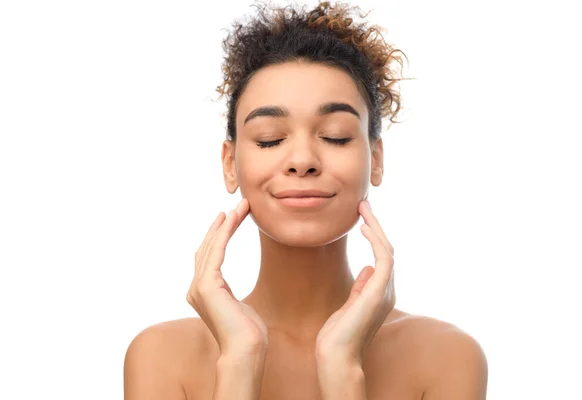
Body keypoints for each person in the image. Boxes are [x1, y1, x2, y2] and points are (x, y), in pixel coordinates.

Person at [123, 1, 488, 399]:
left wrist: (343, 367)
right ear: (231, 164)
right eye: (270, 139)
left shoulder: (447, 358)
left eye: (335, 136)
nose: (302, 161)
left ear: (376, 159)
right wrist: (239, 362)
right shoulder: (160, 357)